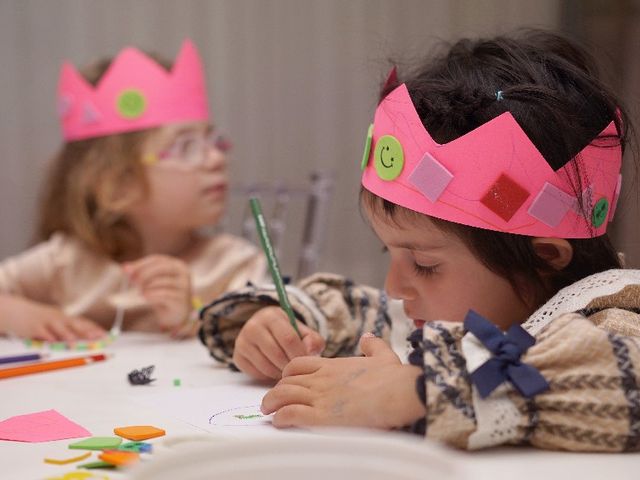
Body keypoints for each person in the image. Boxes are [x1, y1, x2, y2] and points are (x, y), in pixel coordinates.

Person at [199, 30, 640, 452]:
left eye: (425, 264)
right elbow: (348, 307)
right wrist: (274, 324)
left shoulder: (608, 317)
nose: (395, 287)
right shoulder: (425, 319)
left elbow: (624, 379)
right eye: (386, 251)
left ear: (543, 258)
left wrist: (416, 393)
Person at [0, 39, 266, 342]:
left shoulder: (232, 264)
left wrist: (192, 318)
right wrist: (18, 315)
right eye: (187, 147)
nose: (217, 158)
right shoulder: (65, 263)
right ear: (115, 185)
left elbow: (259, 345)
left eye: (213, 140)